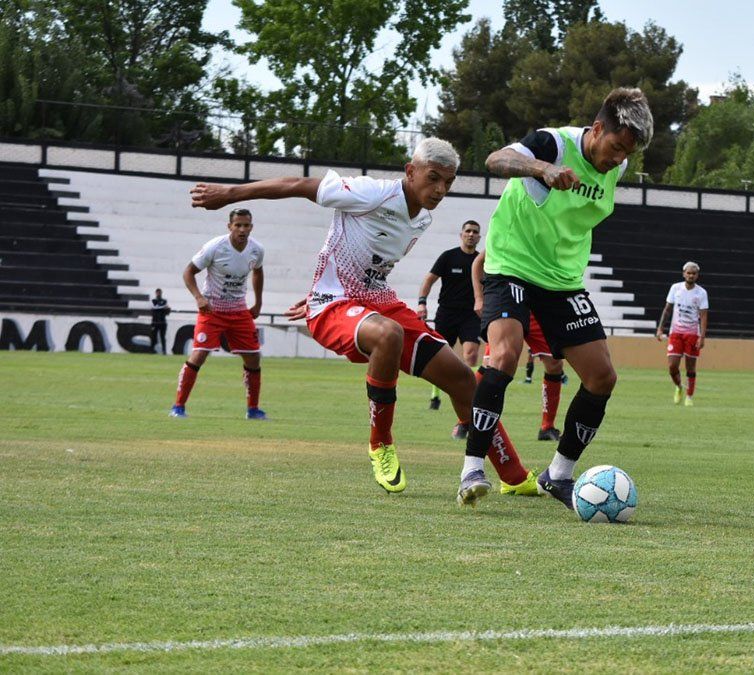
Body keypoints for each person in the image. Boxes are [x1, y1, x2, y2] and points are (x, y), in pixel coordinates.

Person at [188, 138, 539, 506]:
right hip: (334, 305)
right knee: (387, 335)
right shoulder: (371, 192)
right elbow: (299, 185)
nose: (439, 190)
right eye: (433, 178)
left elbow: (363, 262)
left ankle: (513, 476)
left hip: (377, 302)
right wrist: (230, 192)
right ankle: (380, 443)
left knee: (463, 379)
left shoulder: (421, 218)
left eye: (448, 183)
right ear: (410, 171)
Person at [469, 87, 654, 509]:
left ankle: (559, 475)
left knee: (602, 377)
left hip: (563, 281)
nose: (617, 158)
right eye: (615, 146)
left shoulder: (616, 168)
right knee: (505, 356)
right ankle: (472, 469)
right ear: (598, 128)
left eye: (627, 153)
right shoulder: (553, 143)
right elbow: (495, 160)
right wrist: (541, 170)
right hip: (511, 264)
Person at [169, 208, 267, 420]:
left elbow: (258, 271)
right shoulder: (215, 247)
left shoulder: (256, 249)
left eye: (246, 225)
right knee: (199, 354)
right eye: (238, 225)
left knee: (253, 359)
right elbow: (188, 272)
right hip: (212, 309)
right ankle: (178, 406)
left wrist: (258, 302)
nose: (242, 229)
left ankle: (253, 410)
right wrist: (199, 298)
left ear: (251, 226)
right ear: (229, 226)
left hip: (239, 311)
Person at [472, 250, 566, 444]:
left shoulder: (547, 233)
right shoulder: (512, 229)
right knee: (494, 363)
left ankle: (547, 427)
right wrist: (479, 298)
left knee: (555, 364)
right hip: (508, 301)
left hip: (538, 306)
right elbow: (478, 262)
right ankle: (466, 418)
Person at [416, 220, 482, 415]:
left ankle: (472, 395)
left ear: (479, 237)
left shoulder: (481, 262)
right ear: (461, 234)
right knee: (440, 357)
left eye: (475, 232)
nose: (471, 234)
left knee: (470, 353)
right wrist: (421, 302)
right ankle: (435, 395)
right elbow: (429, 279)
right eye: (468, 231)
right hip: (447, 313)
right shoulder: (448, 257)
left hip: (471, 315)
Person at [655, 261, 709, 406]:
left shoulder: (701, 293)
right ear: (683, 273)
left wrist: (702, 337)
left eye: (694, 273)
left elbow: (703, 316)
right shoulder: (675, 288)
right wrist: (660, 329)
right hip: (676, 333)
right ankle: (679, 387)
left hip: (692, 334)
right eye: (688, 273)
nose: (691, 275)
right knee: (672, 366)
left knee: (690, 367)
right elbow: (667, 309)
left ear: (697, 275)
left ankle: (689, 397)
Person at [150, 288, 171, 354]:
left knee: (163, 337)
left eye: (159, 292)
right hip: (155, 322)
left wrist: (166, 308)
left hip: (162, 322)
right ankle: (151, 350)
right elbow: (154, 308)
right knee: (153, 337)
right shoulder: (153, 301)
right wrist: (163, 307)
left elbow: (167, 310)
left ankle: (164, 351)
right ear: (155, 293)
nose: (158, 294)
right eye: (157, 292)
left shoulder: (164, 301)